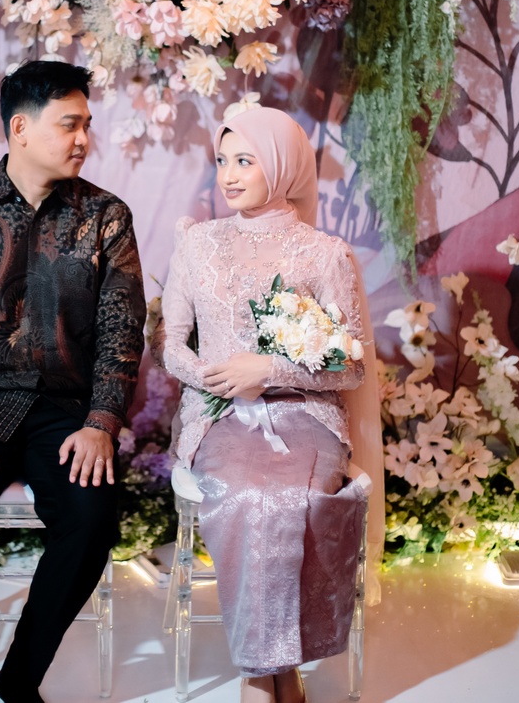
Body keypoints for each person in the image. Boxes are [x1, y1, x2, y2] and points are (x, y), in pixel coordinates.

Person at [0, 60, 147, 703]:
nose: (83, 139)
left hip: (66, 412)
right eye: (69, 124)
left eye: (87, 124)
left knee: (91, 517)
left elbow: (123, 330)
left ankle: (18, 684)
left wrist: (101, 423)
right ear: (20, 128)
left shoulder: (106, 217)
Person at [157, 104, 384, 703]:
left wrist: (270, 369)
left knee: (292, 497)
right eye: (222, 161)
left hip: (306, 416)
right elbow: (171, 343)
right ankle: (270, 674)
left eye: (245, 161)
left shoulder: (325, 253)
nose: (228, 175)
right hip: (218, 417)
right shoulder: (198, 243)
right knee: (246, 495)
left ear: (281, 167)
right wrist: (219, 379)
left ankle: (266, 671)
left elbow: (352, 366)